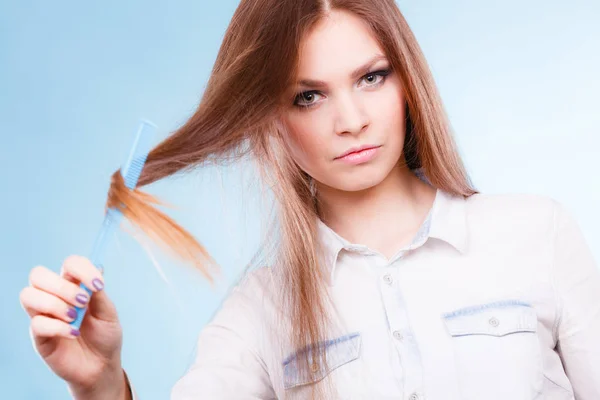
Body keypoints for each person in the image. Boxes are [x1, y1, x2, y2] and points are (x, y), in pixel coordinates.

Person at [19, 0, 600, 399]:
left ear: (407, 81)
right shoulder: (259, 314)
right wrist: (100, 388)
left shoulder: (534, 234)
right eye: (308, 97)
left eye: (371, 77)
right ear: (267, 118)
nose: (350, 120)